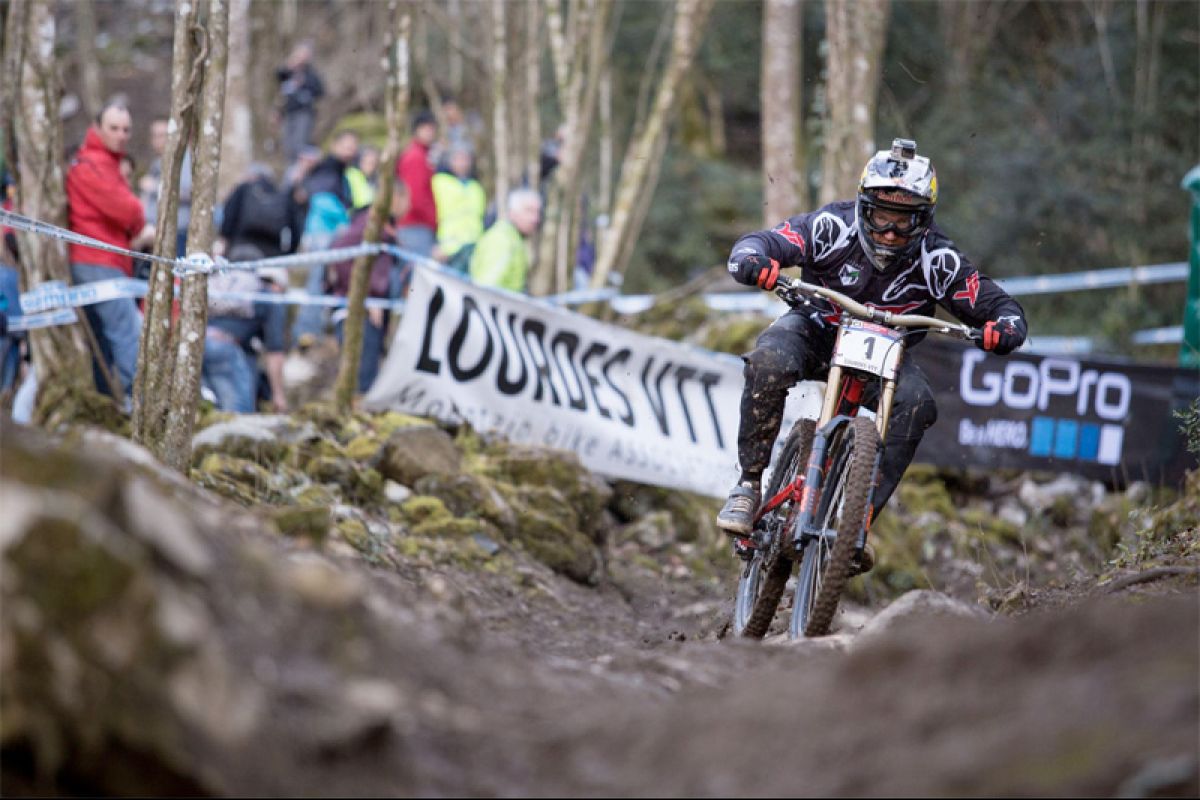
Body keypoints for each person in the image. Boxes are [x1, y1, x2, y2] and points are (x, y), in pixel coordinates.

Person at [715, 139, 1028, 552]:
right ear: (863, 206)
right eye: (881, 217)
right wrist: (754, 260)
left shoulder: (939, 259)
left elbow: (1000, 307)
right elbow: (761, 243)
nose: (890, 233)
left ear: (925, 220)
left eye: (904, 222)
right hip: (817, 328)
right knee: (769, 360)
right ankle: (748, 485)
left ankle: (854, 525)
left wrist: (1004, 328)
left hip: (887, 351)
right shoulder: (832, 227)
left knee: (918, 406)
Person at [66, 102, 149, 399]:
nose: (121, 135)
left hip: (107, 261)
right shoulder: (91, 165)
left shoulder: (106, 162)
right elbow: (129, 211)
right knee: (127, 333)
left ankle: (112, 400)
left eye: (126, 129)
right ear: (97, 128)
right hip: (97, 262)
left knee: (105, 340)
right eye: (114, 128)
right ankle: (135, 402)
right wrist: (139, 217)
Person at [327, 181, 411, 392]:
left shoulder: (387, 227)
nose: (408, 206)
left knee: (369, 372)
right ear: (395, 199)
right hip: (357, 310)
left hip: (374, 310)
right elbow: (340, 255)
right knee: (360, 377)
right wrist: (366, 297)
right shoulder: (370, 224)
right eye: (406, 200)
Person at [202, 256, 290, 413]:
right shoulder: (268, 296)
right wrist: (278, 395)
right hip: (225, 349)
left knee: (210, 410)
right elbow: (275, 353)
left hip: (200, 344)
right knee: (239, 416)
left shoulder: (230, 284)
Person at [468, 188, 542, 293]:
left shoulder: (514, 238)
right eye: (528, 211)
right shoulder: (502, 240)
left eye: (537, 212)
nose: (535, 219)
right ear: (512, 212)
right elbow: (486, 288)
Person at [218, 163, 295, 259]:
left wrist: (224, 239)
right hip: (272, 254)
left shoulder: (243, 189)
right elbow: (294, 227)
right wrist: (287, 253)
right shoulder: (281, 195)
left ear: (252, 175)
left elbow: (229, 215)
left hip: (241, 247)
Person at [140, 117, 191, 257]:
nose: (158, 140)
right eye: (155, 136)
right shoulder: (158, 162)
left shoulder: (184, 160)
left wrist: (156, 187)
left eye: (162, 135)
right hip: (156, 233)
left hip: (177, 233)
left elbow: (188, 192)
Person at [432, 145, 486, 273]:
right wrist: (435, 244)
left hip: (473, 247)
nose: (463, 163)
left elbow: (479, 217)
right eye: (458, 159)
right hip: (448, 249)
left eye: (466, 159)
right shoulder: (439, 181)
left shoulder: (476, 187)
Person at [395, 110, 439, 259]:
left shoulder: (423, 156)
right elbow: (416, 196)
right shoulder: (415, 157)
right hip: (415, 224)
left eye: (432, 129)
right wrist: (432, 220)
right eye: (426, 129)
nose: (430, 133)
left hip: (418, 225)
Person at [276, 42, 325, 163]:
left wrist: (304, 83)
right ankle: (291, 167)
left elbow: (319, 91)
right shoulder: (289, 72)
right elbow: (278, 75)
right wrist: (290, 65)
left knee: (300, 143)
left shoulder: (310, 73)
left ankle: (301, 167)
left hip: (304, 112)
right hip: (288, 112)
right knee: (288, 144)